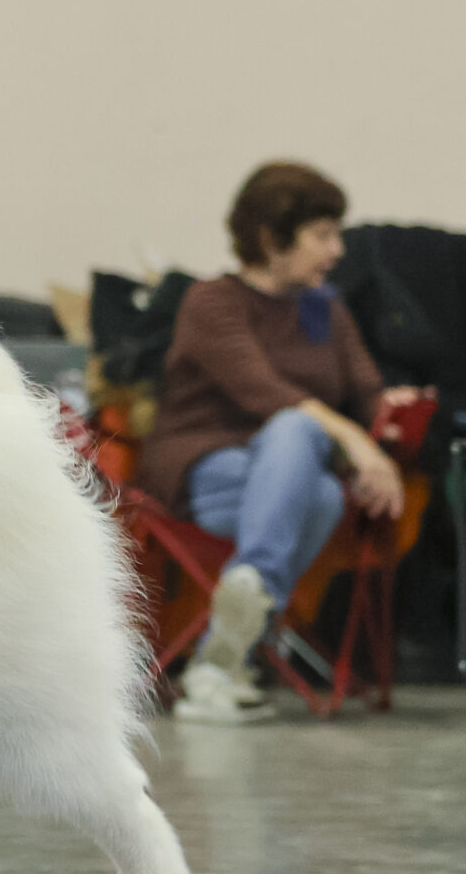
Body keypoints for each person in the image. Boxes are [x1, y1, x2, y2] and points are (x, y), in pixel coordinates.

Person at [140, 163, 416, 723]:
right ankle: (232, 653)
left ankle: (221, 659)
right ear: (271, 239)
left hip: (276, 486)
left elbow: (366, 391)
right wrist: (356, 444)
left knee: (323, 493)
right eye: (323, 235)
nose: (337, 250)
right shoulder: (212, 302)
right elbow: (264, 393)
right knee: (298, 434)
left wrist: (392, 409)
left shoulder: (323, 308)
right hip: (203, 471)